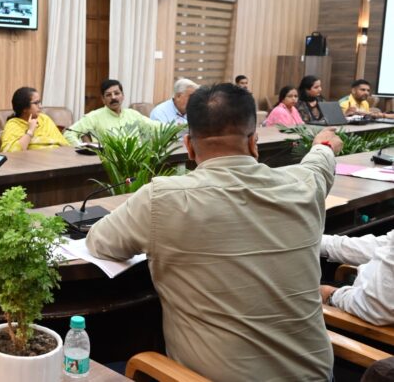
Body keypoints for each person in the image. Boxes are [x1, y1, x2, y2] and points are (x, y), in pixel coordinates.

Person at [86, 83, 343, 380]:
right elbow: (320, 164)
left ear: (189, 146)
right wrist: (323, 145)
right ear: (254, 142)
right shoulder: (304, 185)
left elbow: (100, 242)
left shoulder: (163, 199)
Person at [320, 230, 394, 326]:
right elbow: (384, 246)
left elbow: (378, 308)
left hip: (367, 319)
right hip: (366, 296)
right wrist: (319, 243)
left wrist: (331, 295)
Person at [63, 79, 160, 145]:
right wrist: (83, 149)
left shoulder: (133, 114)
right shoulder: (94, 116)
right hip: (109, 164)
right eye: (108, 95)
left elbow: (156, 127)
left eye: (117, 93)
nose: (113, 97)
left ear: (123, 96)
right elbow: (69, 133)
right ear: (103, 99)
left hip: (136, 162)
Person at [0, 87, 69, 152]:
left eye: (40, 102)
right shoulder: (13, 125)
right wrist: (30, 131)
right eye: (36, 103)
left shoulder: (44, 119)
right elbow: (10, 152)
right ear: (24, 108)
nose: (40, 106)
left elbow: (63, 143)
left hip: (57, 156)